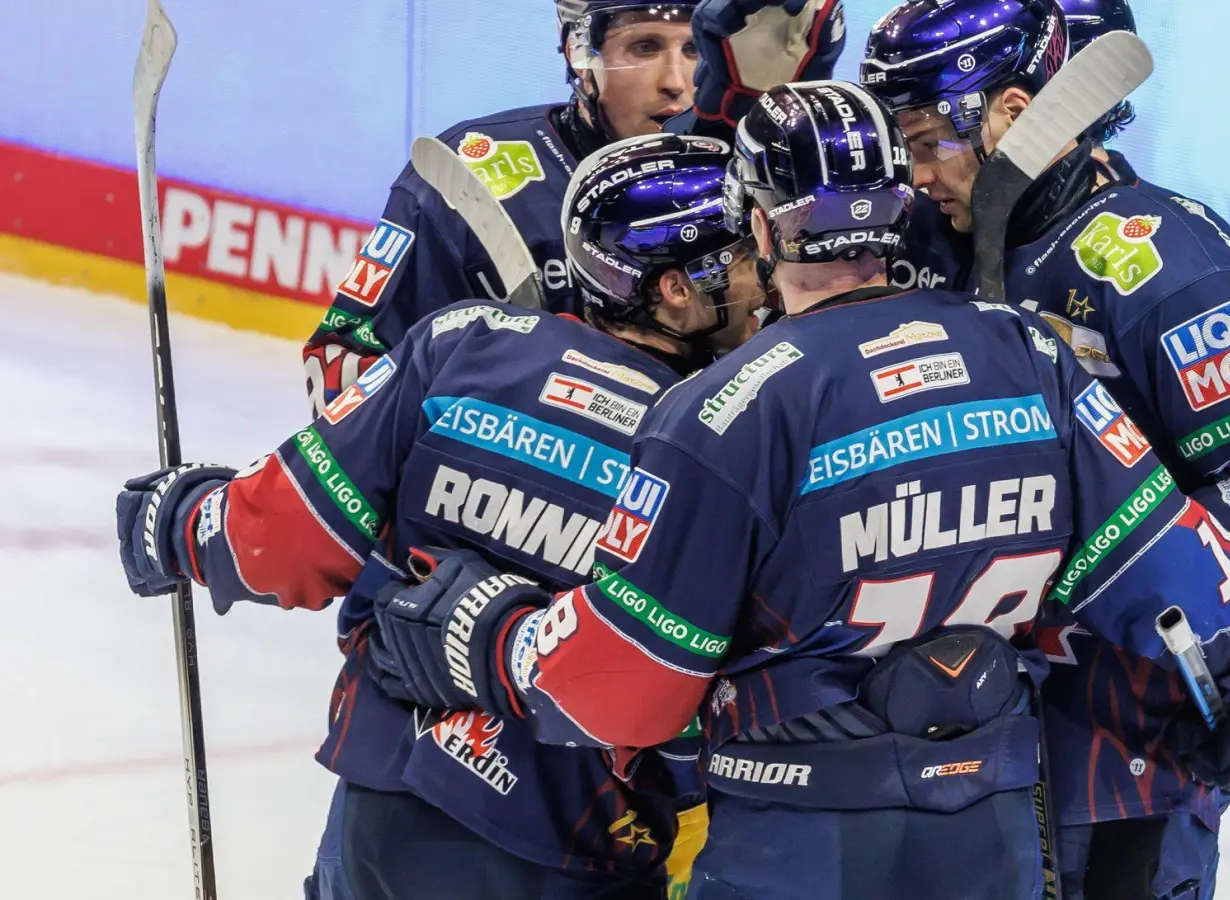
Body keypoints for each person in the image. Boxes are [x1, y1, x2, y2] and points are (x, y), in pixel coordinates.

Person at [361, 81, 1230, 900]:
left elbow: (627, 688)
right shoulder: (1029, 356)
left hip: (796, 845)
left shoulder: (724, 411)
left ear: (756, 229)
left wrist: (487, 635)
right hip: (991, 836)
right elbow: (1183, 584)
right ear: (896, 205)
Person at [115, 134, 770, 900]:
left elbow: (278, 541)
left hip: (384, 814)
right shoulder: (720, 436)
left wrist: (179, 517)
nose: (771, 279)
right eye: (747, 259)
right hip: (574, 844)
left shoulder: (463, 344)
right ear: (674, 289)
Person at [860, 2, 1230, 897]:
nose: (915, 170)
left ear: (1014, 115)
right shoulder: (925, 241)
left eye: (932, 138)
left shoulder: (1155, 259)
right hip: (944, 734)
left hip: (1120, 744)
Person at [303, 0, 845, 416]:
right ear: (579, 53)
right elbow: (346, 367)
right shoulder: (473, 180)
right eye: (644, 47)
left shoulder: (755, 171)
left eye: (693, 49)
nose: (677, 83)